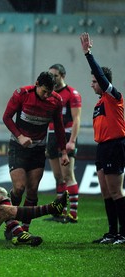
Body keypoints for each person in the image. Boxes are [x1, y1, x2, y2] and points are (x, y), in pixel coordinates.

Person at [2, 71, 70, 241]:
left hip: (38, 149)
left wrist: (63, 151)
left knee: (32, 190)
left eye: (50, 92)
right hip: (18, 147)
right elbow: (7, 117)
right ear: (37, 84)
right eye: (44, 91)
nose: (47, 95)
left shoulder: (56, 101)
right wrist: (20, 136)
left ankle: (24, 229)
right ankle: (11, 222)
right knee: (19, 188)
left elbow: (60, 127)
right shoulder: (22, 94)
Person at [80, 32, 125, 245]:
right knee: (106, 192)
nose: (92, 84)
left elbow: (99, 75)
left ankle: (123, 234)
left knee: (116, 191)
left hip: (115, 146)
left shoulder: (114, 97)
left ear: (102, 81)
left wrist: (88, 54)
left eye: (94, 81)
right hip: (103, 148)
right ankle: (112, 233)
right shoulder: (99, 104)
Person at [45, 64, 82, 223]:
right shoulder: (49, 94)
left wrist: (72, 141)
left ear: (63, 76)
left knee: (68, 176)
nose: (53, 78)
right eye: (50, 75)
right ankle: (60, 212)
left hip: (66, 135)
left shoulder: (72, 94)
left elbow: (76, 119)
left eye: (55, 75)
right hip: (52, 136)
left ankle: (73, 214)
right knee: (58, 176)